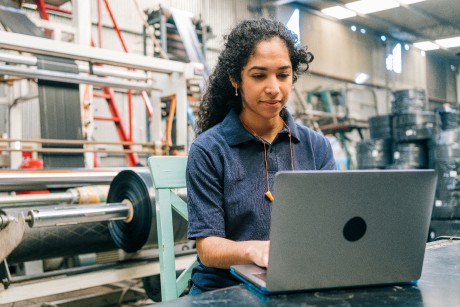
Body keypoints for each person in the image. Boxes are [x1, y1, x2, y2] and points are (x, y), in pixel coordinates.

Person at [186, 17, 336, 295]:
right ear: (235, 79)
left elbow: (332, 225)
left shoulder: (317, 147)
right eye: (258, 75)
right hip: (225, 289)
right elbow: (208, 248)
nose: (274, 88)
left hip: (297, 283)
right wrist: (255, 249)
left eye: (283, 74)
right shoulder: (209, 150)